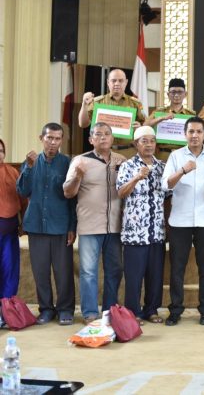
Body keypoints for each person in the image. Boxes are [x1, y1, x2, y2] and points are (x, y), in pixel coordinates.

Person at [162, 117, 204, 326]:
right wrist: (183, 170)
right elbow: (166, 185)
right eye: (191, 132)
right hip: (180, 221)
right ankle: (175, 310)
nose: (195, 135)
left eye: (199, 132)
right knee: (177, 268)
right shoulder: (176, 156)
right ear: (185, 134)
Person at [63, 122, 125, 323]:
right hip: (90, 226)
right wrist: (78, 176)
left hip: (115, 226)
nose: (103, 138)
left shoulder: (121, 161)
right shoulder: (80, 161)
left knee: (114, 270)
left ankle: (109, 311)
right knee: (88, 271)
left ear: (112, 138)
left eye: (107, 134)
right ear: (91, 139)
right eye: (98, 134)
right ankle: (90, 312)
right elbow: (68, 192)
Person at [16, 123, 76, 326]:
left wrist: (72, 227)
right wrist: (29, 168)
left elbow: (72, 199)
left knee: (63, 271)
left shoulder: (67, 163)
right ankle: (46, 309)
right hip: (36, 227)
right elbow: (22, 191)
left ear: (61, 140)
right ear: (41, 138)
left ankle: (66, 309)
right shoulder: (31, 162)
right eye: (49, 138)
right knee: (41, 272)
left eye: (57, 138)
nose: (53, 142)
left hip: (60, 226)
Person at [116, 126, 166, 323]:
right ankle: (133, 312)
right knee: (134, 276)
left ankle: (151, 310)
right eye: (144, 141)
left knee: (155, 276)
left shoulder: (162, 166)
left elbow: (168, 195)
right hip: (135, 232)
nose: (149, 145)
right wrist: (137, 177)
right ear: (136, 144)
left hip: (157, 231)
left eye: (152, 141)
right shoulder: (128, 166)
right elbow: (121, 193)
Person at [78, 68, 145, 159]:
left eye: (120, 81)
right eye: (113, 81)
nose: (117, 83)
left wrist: (140, 128)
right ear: (108, 82)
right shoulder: (98, 102)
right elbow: (83, 124)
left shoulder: (135, 103)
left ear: (126, 82)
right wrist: (84, 104)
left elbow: (145, 127)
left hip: (128, 152)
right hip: (104, 151)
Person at [0, 138, 26, 302]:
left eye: (1, 151)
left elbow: (23, 200)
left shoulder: (13, 172)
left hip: (9, 230)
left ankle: (6, 308)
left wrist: (23, 222)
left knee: (9, 270)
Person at [145, 78, 196, 161]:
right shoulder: (159, 112)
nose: (176, 95)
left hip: (183, 155)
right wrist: (161, 118)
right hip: (162, 155)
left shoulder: (190, 115)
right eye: (173, 92)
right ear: (168, 94)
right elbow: (145, 126)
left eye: (180, 92)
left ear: (185, 94)